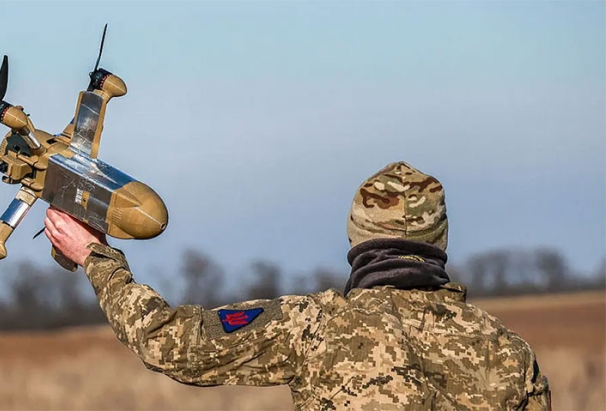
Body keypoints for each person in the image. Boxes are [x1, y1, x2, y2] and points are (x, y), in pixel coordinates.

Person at [45, 161, 551, 410]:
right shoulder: (508, 353)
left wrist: (94, 256)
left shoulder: (317, 326)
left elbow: (170, 343)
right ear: (439, 242)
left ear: (357, 238)